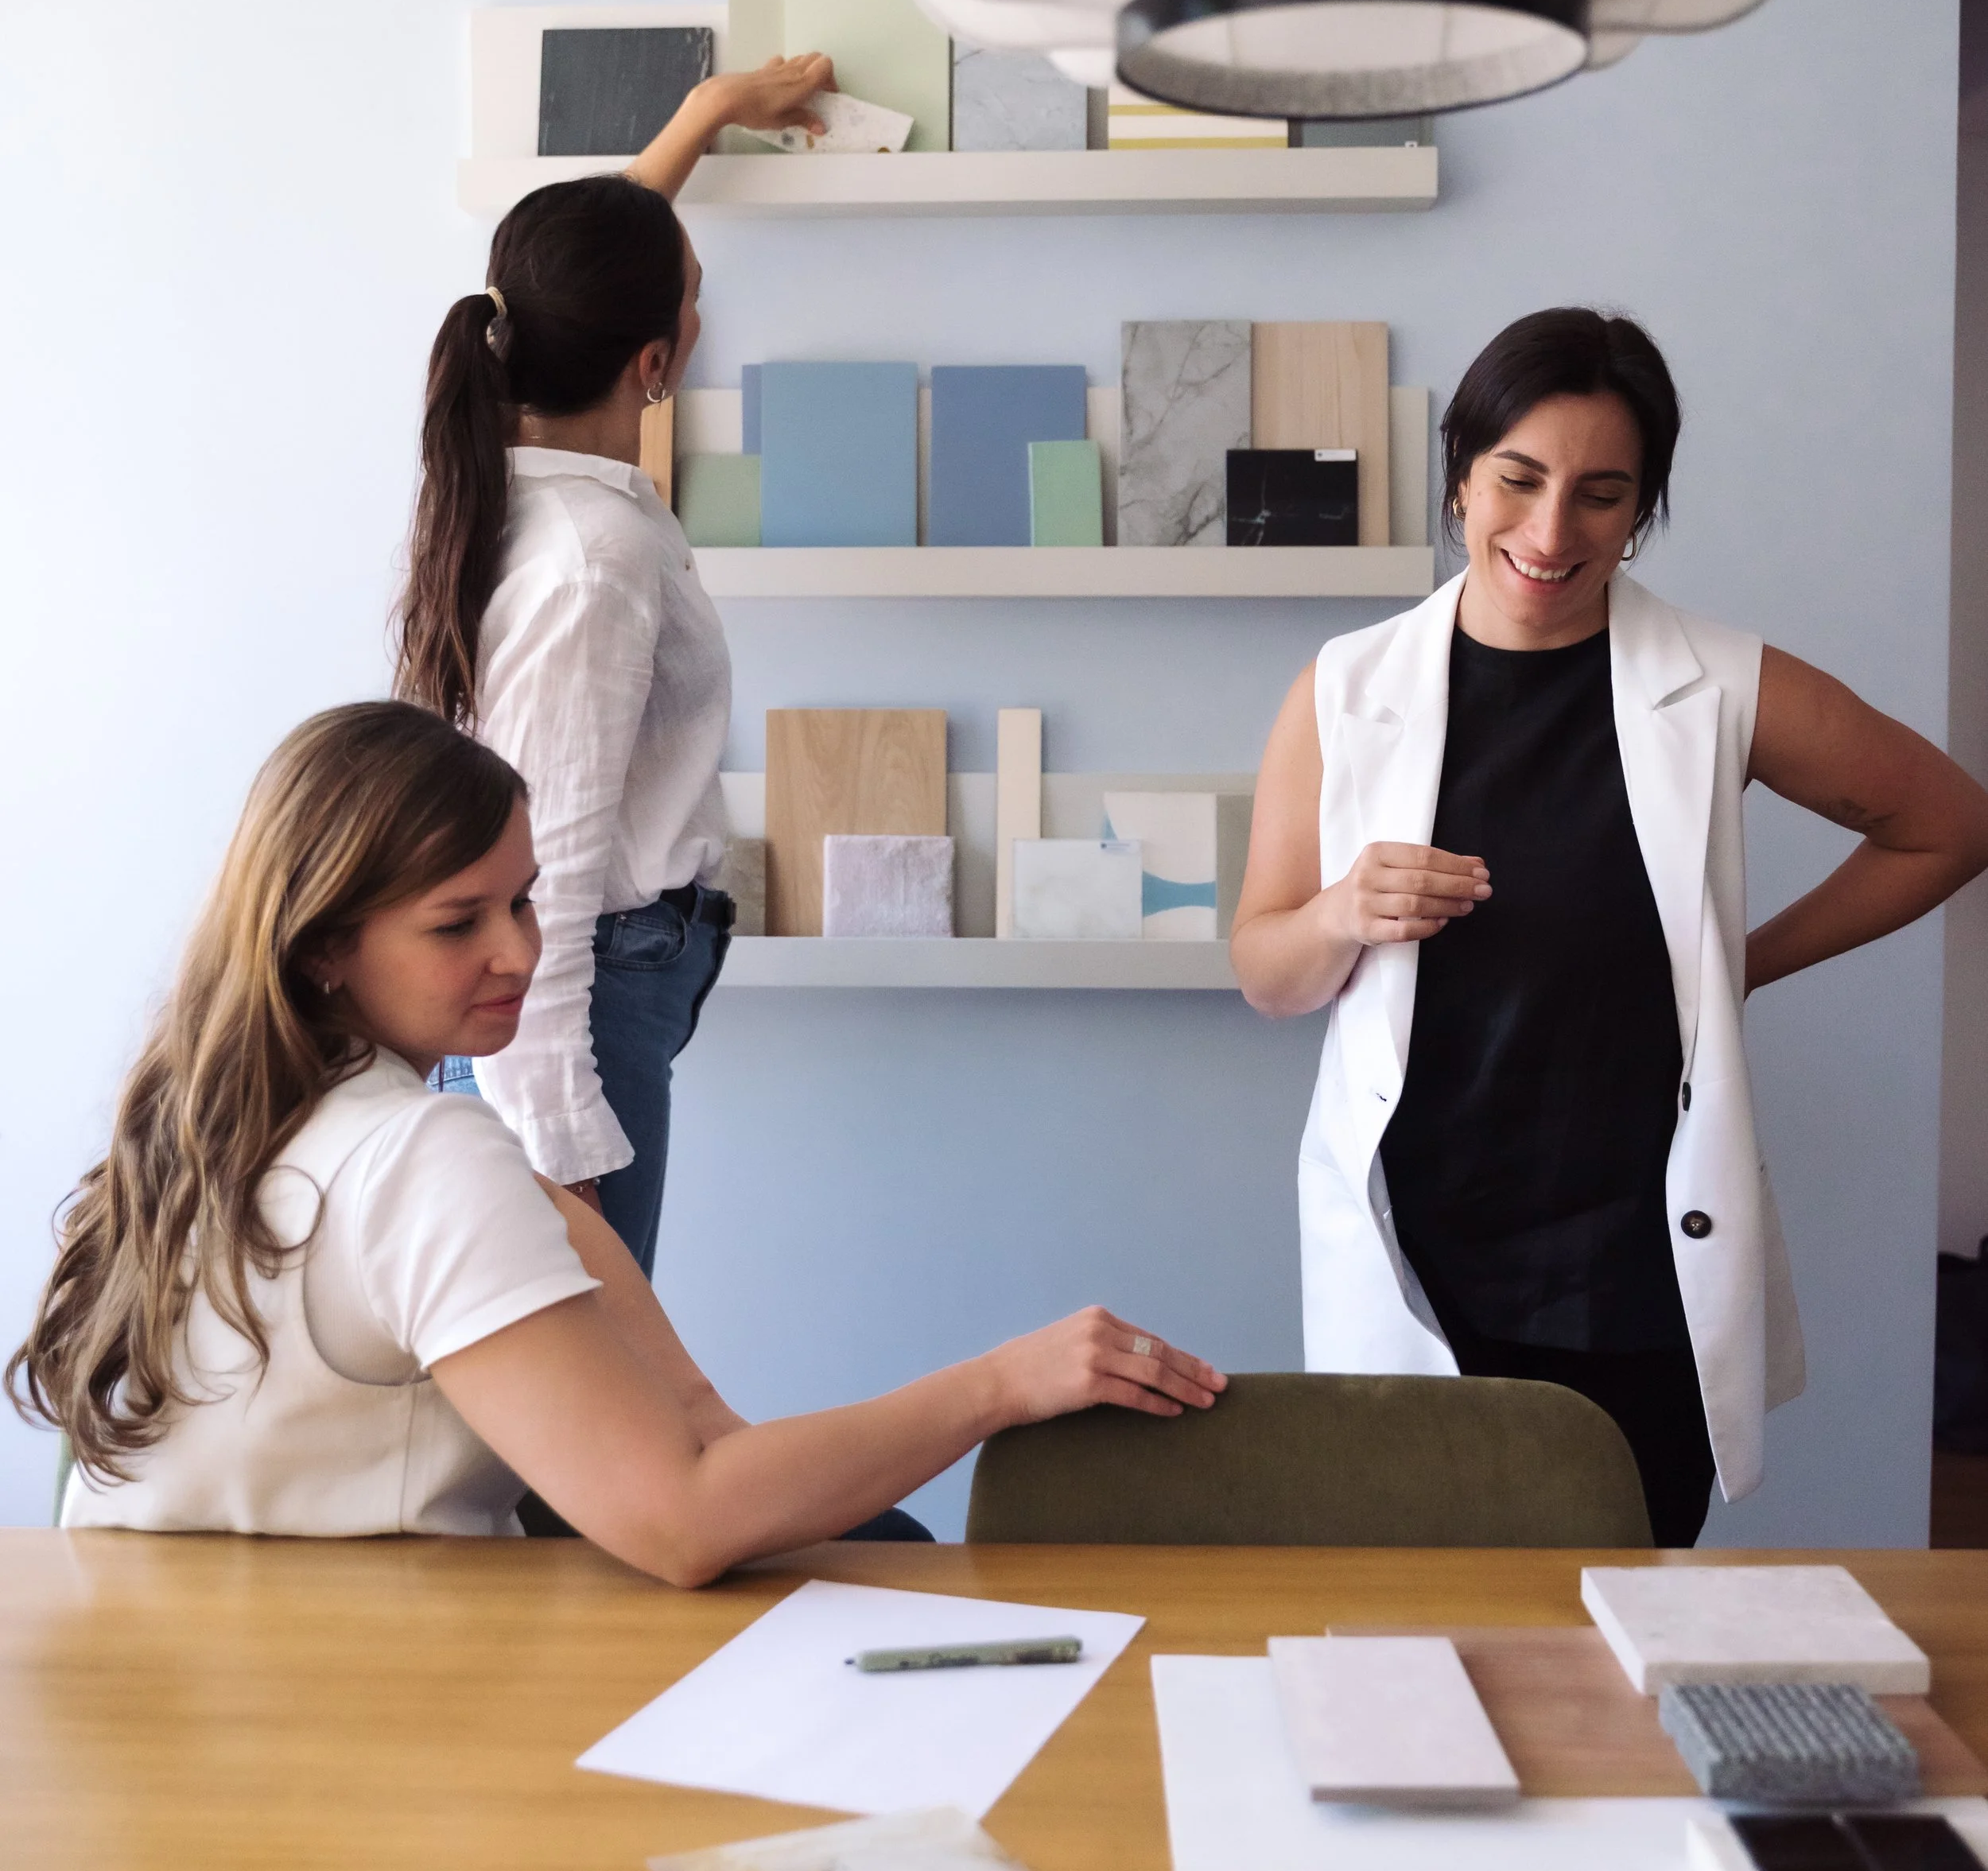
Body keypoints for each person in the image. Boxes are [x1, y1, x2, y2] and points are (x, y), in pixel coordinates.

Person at [10, 705, 1223, 1582]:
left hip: (164, 1722)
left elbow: (698, 1427)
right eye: (457, 922)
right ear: (324, 944)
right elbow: (679, 1520)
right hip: (354, 1737)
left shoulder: (186, 1149)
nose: (522, 953)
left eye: (527, 899)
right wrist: (1001, 1384)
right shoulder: (426, 1158)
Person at [1232, 306, 1988, 1547]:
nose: (1548, 531)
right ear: (1462, 475)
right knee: (1415, 1632)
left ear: (1641, 511)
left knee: (1615, 1642)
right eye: (1518, 480)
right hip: (1415, 1262)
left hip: (1633, 1277)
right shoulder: (1345, 687)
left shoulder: (1719, 682)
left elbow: (1948, 825)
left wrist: (1734, 970)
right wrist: (1336, 911)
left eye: (1600, 494)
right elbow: (1267, 972)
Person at [394, 54, 831, 1279]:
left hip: (605, 988)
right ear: (654, 364)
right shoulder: (593, 561)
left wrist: (699, 120)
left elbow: (585, 268)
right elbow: (547, 874)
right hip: (583, 1005)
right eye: (695, 303)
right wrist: (562, 1137)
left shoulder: (503, 481)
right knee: (596, 1397)